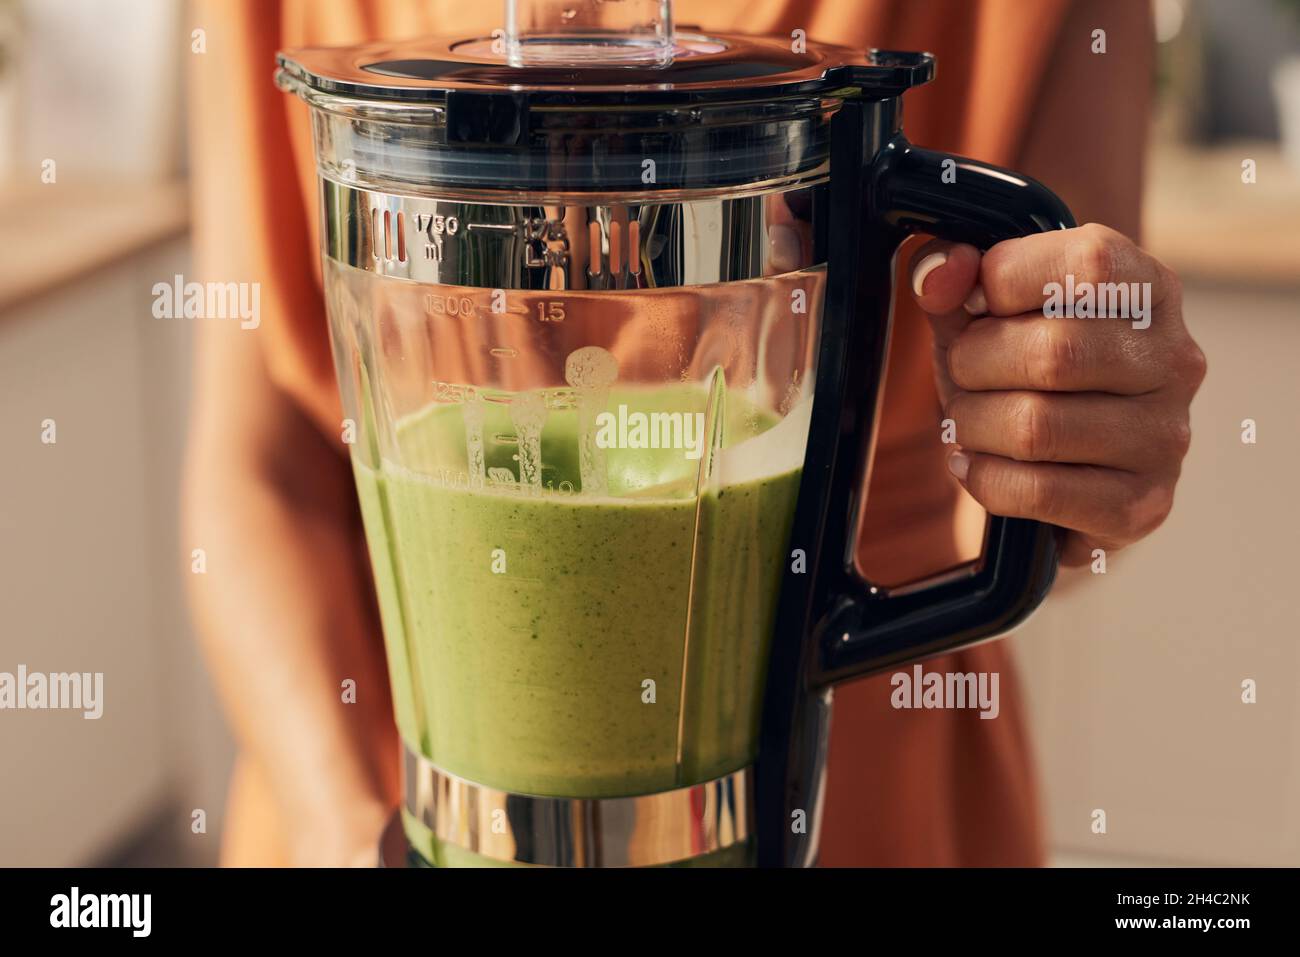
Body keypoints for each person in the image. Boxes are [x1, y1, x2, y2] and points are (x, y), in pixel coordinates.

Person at [185, 0, 1206, 866]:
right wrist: (353, 833)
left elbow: (1046, 385)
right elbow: (258, 460)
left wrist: (1079, 435)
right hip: (365, 765)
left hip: (863, 758)